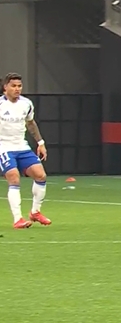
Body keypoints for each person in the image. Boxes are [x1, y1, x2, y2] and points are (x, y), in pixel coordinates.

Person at [0, 73, 50, 229]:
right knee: (14, 178)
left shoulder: (26, 104)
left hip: (21, 146)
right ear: (5, 87)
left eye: (19, 86)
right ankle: (18, 219)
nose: (17, 89)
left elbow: (30, 123)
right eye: (13, 86)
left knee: (40, 175)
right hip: (4, 147)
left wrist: (40, 143)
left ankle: (35, 212)